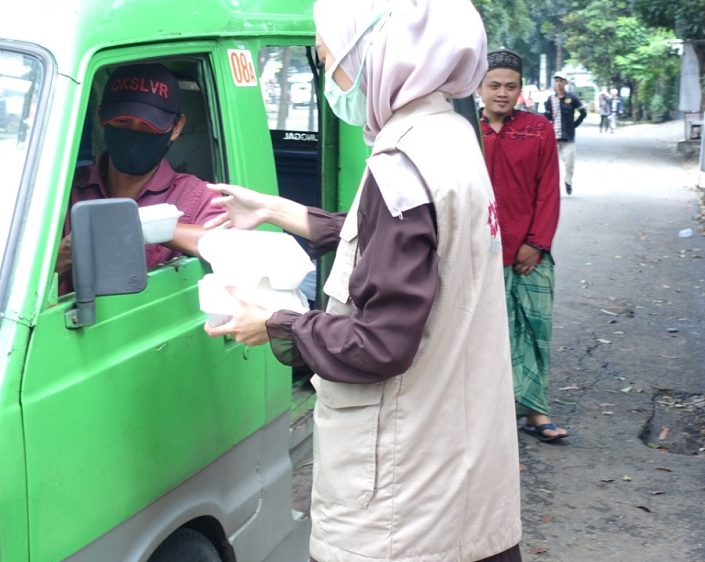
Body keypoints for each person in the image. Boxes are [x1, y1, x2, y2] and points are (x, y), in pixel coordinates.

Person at [204, 1, 523, 560]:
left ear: (376, 51)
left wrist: (278, 324)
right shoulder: (449, 135)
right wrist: (276, 210)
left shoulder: (399, 163)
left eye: (328, 58)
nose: (329, 77)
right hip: (459, 458)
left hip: (404, 495)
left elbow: (381, 342)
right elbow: (387, 241)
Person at [55, 63, 222, 294]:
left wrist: (139, 227)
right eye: (122, 122)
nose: (134, 134)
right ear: (102, 118)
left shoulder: (196, 196)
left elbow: (232, 248)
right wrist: (64, 256)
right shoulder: (64, 188)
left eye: (149, 125)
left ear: (175, 128)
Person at [478, 50, 567, 443]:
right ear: (478, 88)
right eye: (494, 85)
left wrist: (537, 243)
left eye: (510, 86)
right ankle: (487, 417)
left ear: (520, 90)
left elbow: (548, 192)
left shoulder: (539, 129)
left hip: (528, 255)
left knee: (534, 330)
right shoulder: (462, 129)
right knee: (482, 337)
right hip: (476, 253)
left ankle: (536, 412)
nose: (502, 93)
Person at [543, 71, 585, 195]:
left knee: (569, 164)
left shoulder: (571, 99)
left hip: (568, 138)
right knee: (551, 166)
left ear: (565, 82)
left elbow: (583, 113)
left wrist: (574, 125)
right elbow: (546, 117)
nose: (558, 83)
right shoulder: (550, 100)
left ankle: (568, 181)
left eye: (561, 81)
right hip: (554, 138)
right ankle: (552, 188)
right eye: (556, 81)